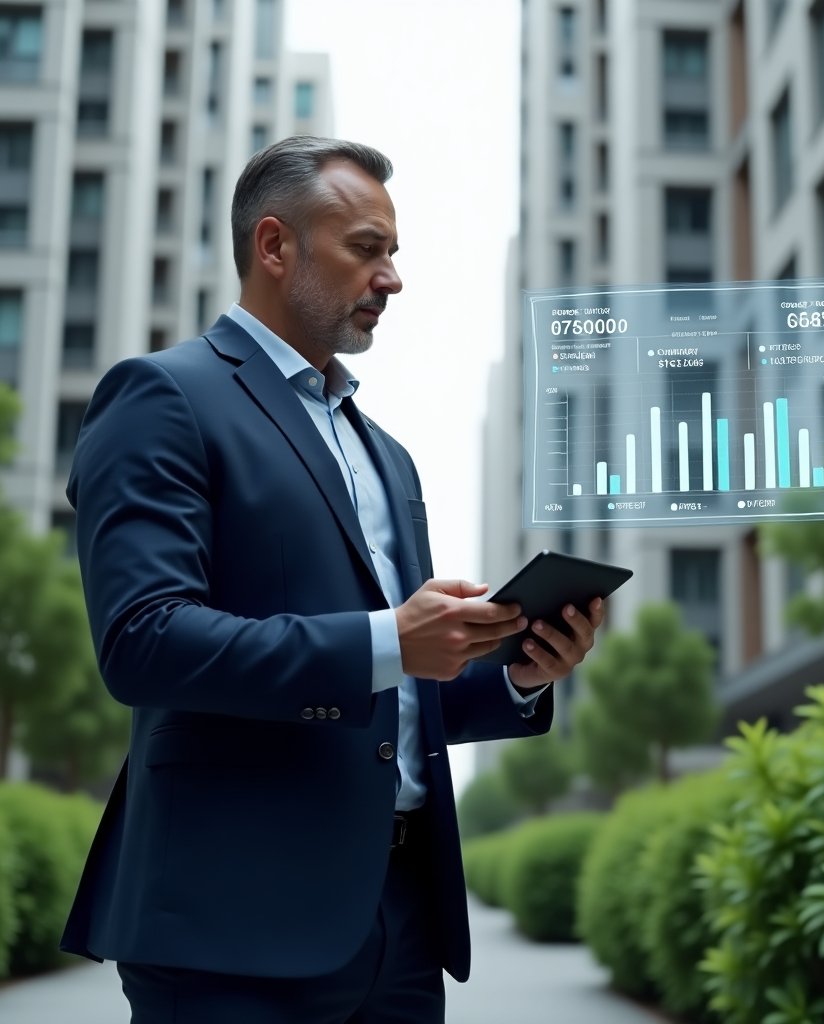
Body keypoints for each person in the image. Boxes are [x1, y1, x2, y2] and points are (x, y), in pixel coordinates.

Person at [60, 136, 606, 1023]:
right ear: (276, 247)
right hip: (229, 929)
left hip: (400, 924)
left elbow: (393, 697)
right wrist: (393, 637)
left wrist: (514, 672)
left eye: (394, 252)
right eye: (366, 248)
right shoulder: (164, 397)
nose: (391, 277)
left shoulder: (386, 454)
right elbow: (142, 641)